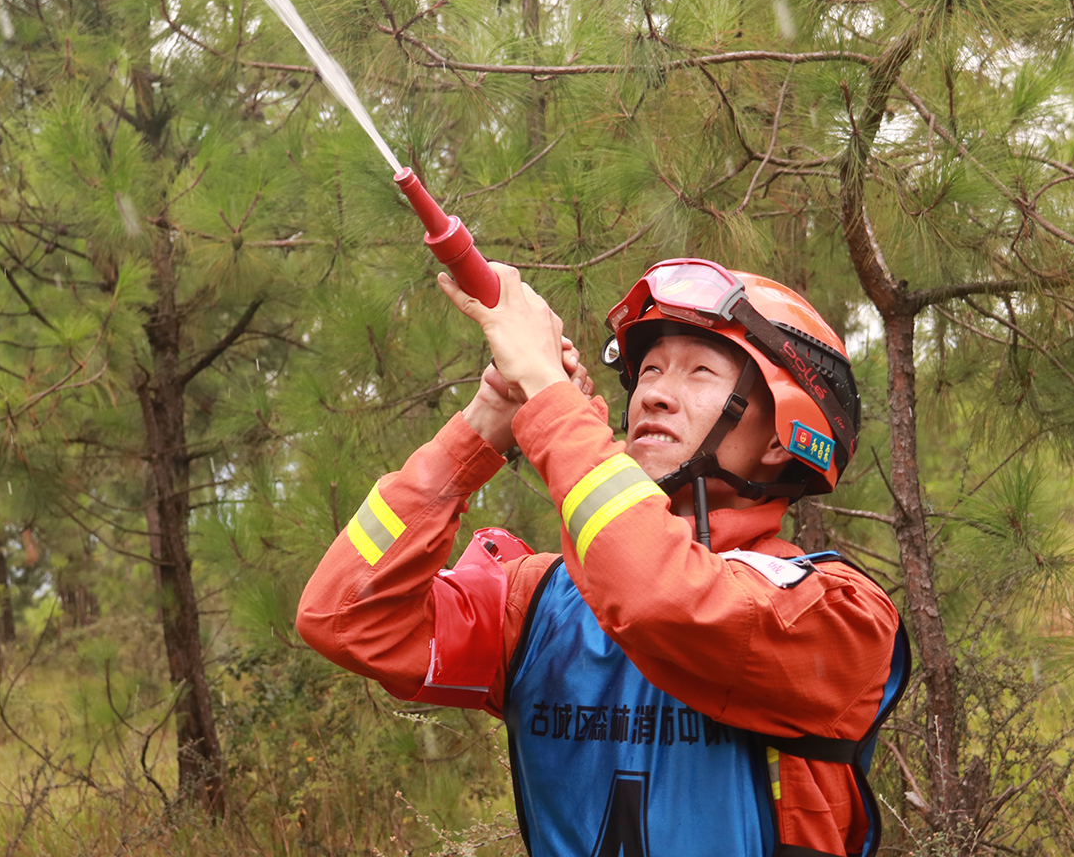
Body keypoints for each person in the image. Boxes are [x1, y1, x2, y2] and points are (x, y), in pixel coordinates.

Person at [297, 258, 907, 857]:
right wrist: (481, 428)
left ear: (784, 435)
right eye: (648, 371)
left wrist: (548, 394)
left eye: (698, 372)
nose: (656, 396)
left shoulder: (840, 614)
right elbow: (345, 617)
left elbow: (663, 596)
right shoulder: (537, 603)